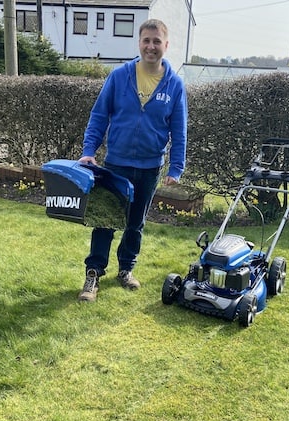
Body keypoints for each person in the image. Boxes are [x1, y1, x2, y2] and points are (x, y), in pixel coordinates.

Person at [77, 19, 188, 302]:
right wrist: (89, 150)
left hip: (149, 167)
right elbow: (99, 116)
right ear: (139, 43)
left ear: (166, 45)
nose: (151, 46)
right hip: (116, 163)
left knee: (135, 223)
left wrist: (176, 166)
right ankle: (93, 274)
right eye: (146, 41)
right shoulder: (119, 76)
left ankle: (126, 269)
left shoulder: (174, 85)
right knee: (105, 219)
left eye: (157, 41)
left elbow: (179, 128)